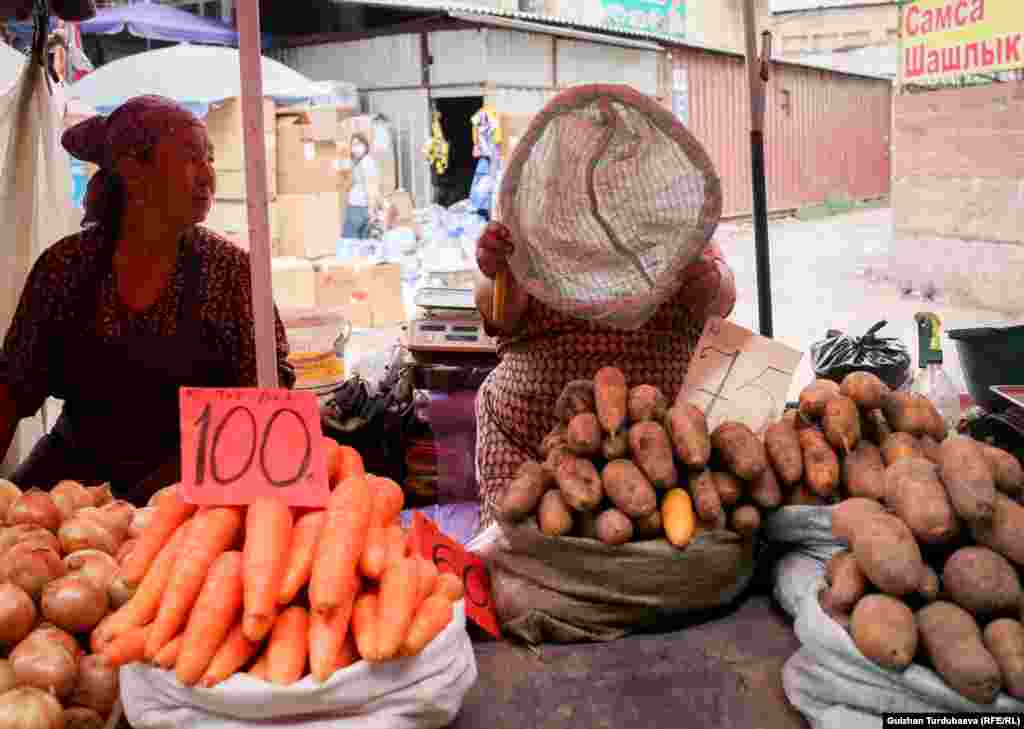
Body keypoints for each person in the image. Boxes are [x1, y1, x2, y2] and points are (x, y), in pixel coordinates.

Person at [0, 95, 295, 504]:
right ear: (133, 170)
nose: (208, 175)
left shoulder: (230, 271)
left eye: (209, 159)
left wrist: (168, 491)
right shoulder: (66, 266)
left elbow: (269, 393)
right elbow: (12, 388)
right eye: (191, 158)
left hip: (191, 486)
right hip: (72, 487)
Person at [473, 222, 737, 528]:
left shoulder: (676, 214)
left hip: (667, 435)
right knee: (517, 538)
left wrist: (708, 280)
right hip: (532, 435)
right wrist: (500, 271)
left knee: (676, 535)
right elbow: (500, 316)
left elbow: (721, 301)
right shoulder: (524, 214)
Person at [342, 132, 378, 241]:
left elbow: (371, 186)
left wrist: (371, 210)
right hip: (358, 207)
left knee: (349, 242)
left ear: (365, 146)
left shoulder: (366, 162)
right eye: (353, 145)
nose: (355, 148)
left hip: (359, 208)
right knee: (361, 243)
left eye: (358, 144)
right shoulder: (358, 162)